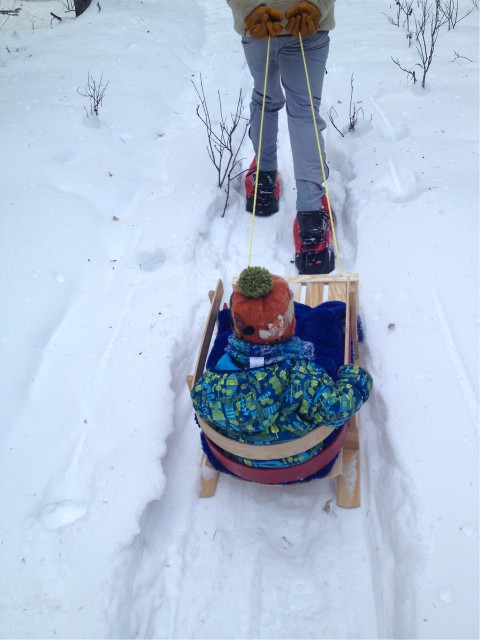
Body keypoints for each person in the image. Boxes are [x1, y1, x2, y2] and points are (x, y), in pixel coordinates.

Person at [190, 267, 372, 472]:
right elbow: (337, 407)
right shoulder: (302, 376)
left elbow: (204, 416)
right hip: (300, 461)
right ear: (286, 325)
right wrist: (354, 378)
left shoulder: (210, 381)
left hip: (235, 461)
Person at [226, 1, 335, 245]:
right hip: (306, 26)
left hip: (260, 26)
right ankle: (311, 215)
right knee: (304, 112)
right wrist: (316, 6)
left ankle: (264, 178)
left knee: (266, 99)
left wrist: (249, 9)